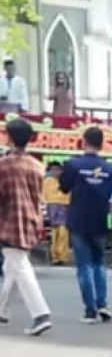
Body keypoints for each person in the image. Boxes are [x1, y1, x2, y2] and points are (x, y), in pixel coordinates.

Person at [0, 117, 52, 336]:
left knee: (20, 266)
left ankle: (41, 314)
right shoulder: (38, 166)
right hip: (30, 220)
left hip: (9, 222)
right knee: (12, 267)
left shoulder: (3, 165)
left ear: (9, 138)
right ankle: (2, 311)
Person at [60, 125, 112, 323]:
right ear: (102, 144)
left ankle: (90, 310)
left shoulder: (73, 165)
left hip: (78, 220)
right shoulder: (110, 169)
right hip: (100, 220)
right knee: (99, 263)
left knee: (84, 265)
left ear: (84, 141)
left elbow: (64, 187)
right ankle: (102, 304)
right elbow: (109, 193)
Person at [43, 160, 70, 263]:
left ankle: (63, 256)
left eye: (58, 169)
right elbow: (43, 195)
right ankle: (55, 256)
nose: (56, 172)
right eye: (53, 170)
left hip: (64, 206)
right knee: (54, 233)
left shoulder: (66, 180)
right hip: (52, 207)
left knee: (63, 232)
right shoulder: (47, 181)